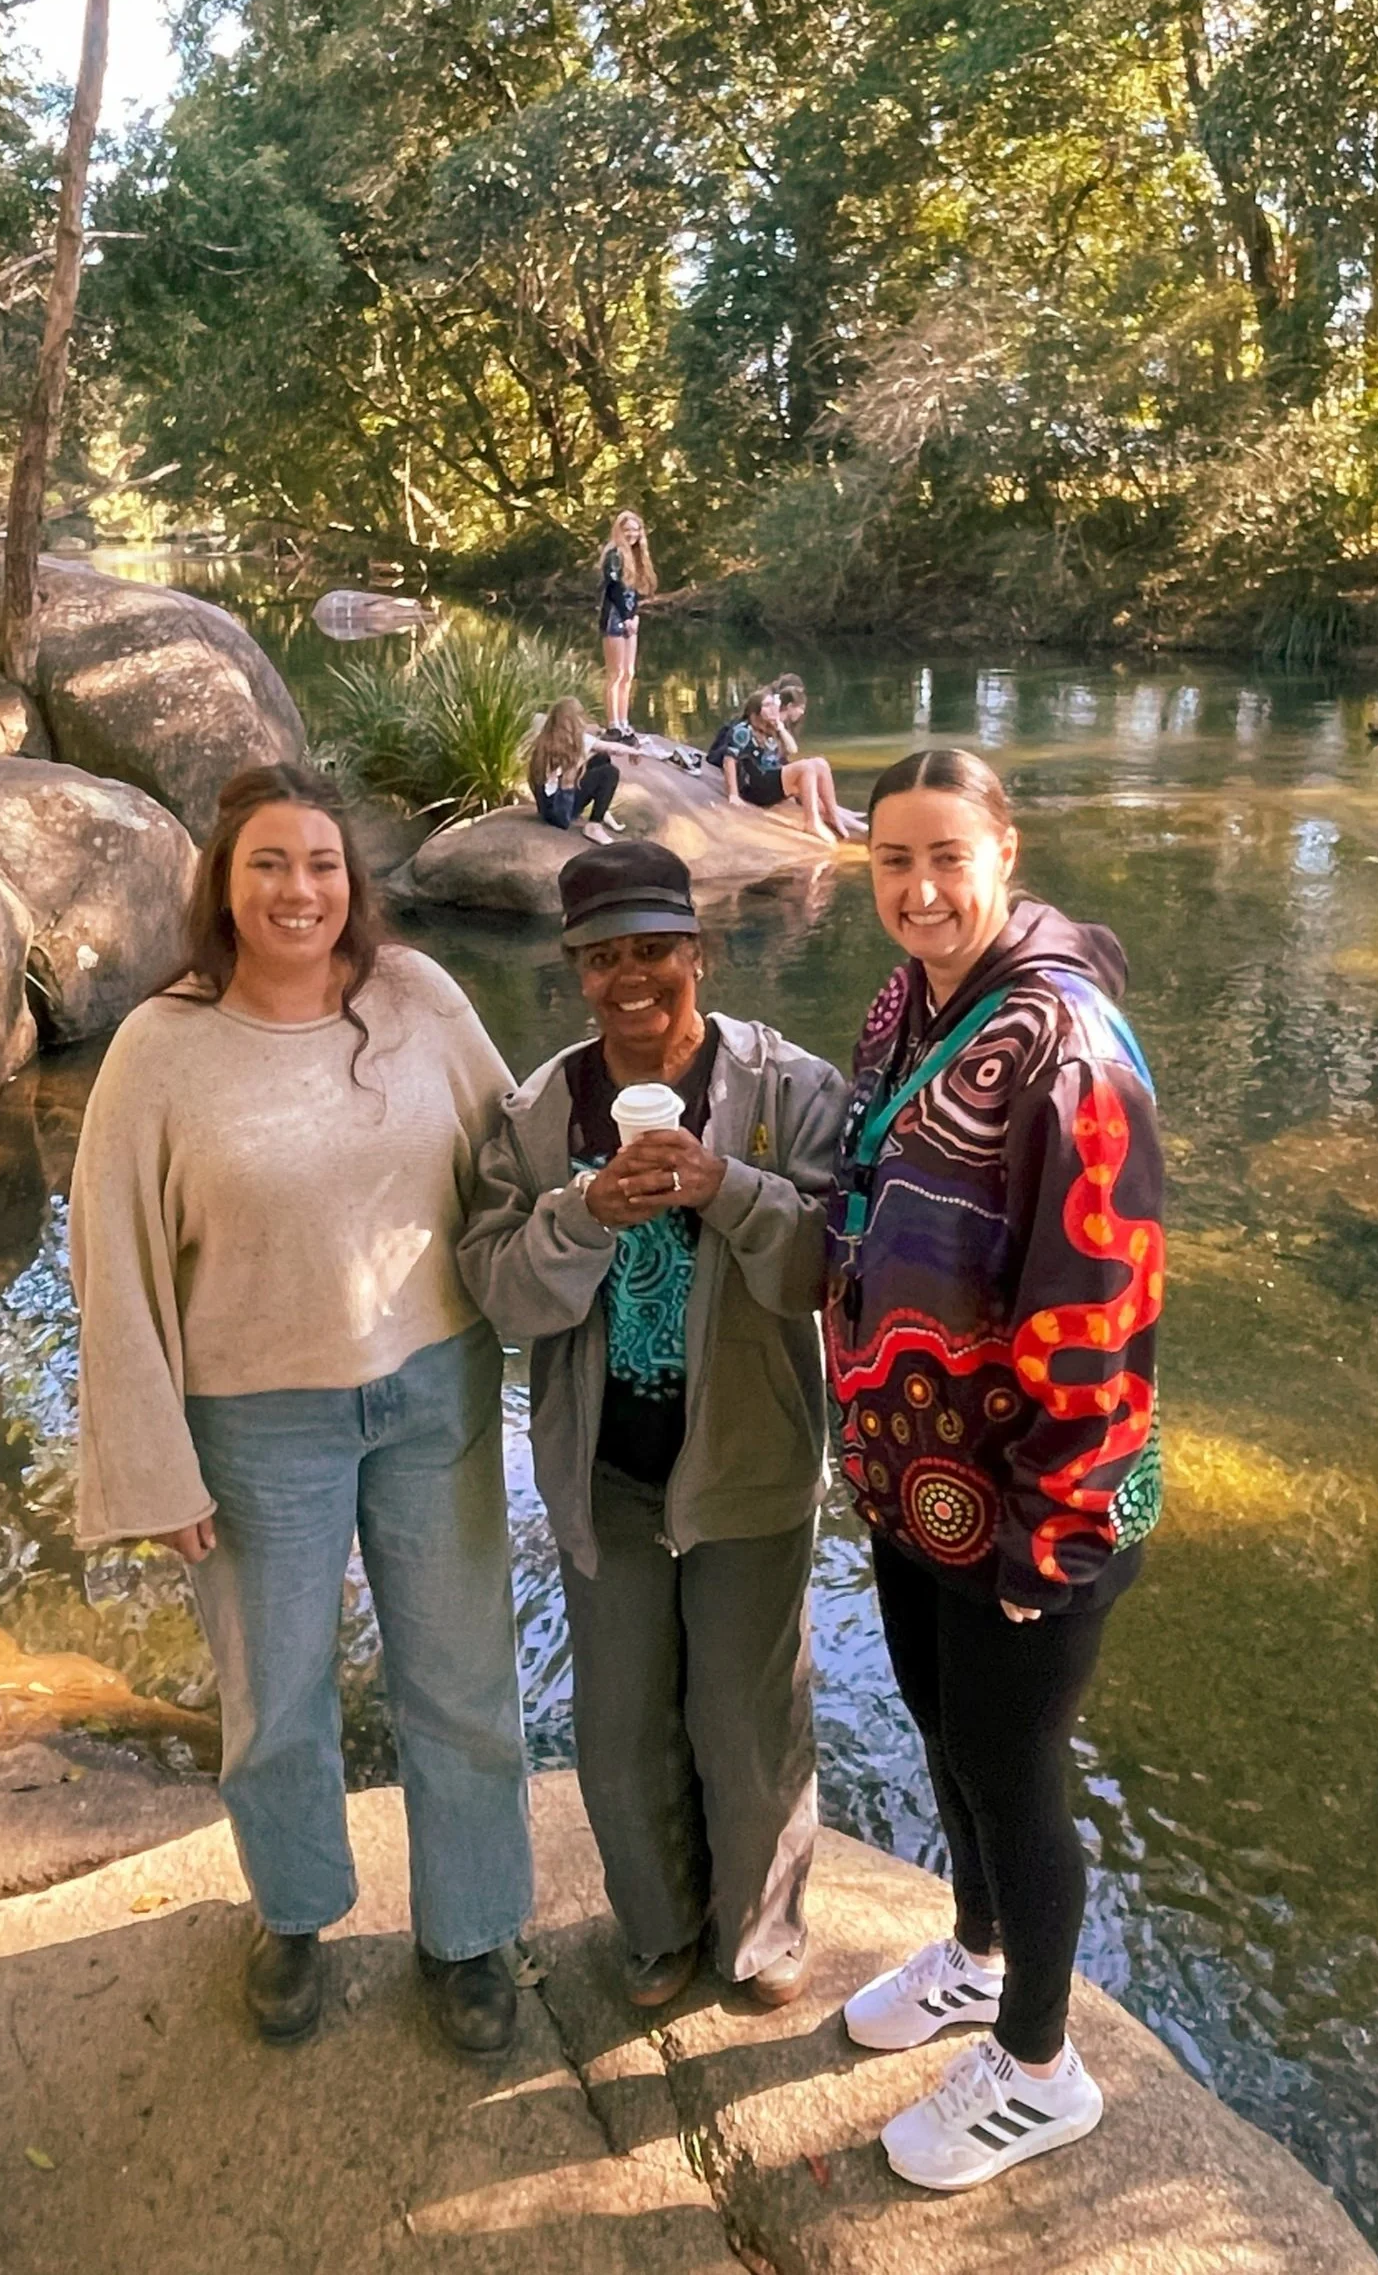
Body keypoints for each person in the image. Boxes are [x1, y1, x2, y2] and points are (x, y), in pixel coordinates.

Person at [69, 763, 533, 2057]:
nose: (297, 888)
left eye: (320, 862)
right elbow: (109, 1263)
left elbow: (517, 1158)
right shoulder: (159, 1047)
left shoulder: (417, 1000)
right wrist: (153, 1464)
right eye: (267, 861)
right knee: (275, 1693)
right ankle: (293, 1908)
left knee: (460, 1676)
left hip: (433, 1388)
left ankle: (472, 1926)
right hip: (253, 1419)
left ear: (352, 881)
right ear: (223, 880)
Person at [825, 746, 1164, 2189]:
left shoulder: (1066, 1047)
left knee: (1015, 1769)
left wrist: (1050, 1530)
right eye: (891, 860)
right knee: (941, 1728)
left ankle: (1039, 2064)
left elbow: (1099, 1304)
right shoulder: (905, 1003)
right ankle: (973, 1956)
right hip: (918, 1478)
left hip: (1036, 1502)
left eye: (944, 857)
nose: (917, 888)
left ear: (1001, 854)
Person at [459, 842, 846, 2011]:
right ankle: (657, 1926)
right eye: (602, 958)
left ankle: (759, 1932)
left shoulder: (790, 1092)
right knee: (621, 1720)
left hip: (748, 1460)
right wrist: (576, 1216)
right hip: (604, 1469)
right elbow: (502, 1295)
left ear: (701, 953)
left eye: (654, 951)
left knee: (747, 1713)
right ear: (575, 970)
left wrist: (723, 1184)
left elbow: (823, 1270)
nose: (631, 979)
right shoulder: (534, 1118)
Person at [720, 687, 863, 843]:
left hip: (772, 777)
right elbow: (729, 760)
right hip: (757, 786)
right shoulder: (743, 731)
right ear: (755, 711)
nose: (773, 708)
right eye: (767, 705)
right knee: (805, 767)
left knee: (820, 763)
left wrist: (779, 727)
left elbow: (792, 749)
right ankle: (811, 822)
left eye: (772, 704)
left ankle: (833, 815)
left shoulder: (770, 728)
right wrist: (733, 794)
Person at [529, 695, 624, 843]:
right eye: (577, 717)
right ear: (568, 720)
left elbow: (607, 747)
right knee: (610, 773)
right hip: (559, 811)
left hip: (549, 804)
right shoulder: (555, 746)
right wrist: (582, 758)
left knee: (601, 758)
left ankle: (602, 808)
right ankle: (594, 825)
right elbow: (563, 777)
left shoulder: (549, 736)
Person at [598, 509, 655, 745]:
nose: (632, 534)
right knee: (616, 673)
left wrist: (635, 615)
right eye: (627, 529)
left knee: (629, 673)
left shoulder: (636, 556)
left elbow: (634, 592)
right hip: (614, 616)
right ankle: (613, 725)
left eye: (635, 529)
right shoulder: (614, 554)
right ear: (619, 531)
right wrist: (625, 616)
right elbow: (613, 590)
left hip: (631, 617)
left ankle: (624, 720)